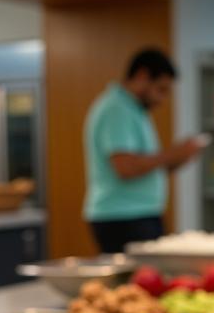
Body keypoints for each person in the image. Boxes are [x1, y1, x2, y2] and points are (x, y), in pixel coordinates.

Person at [83, 48, 203, 254]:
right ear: (142, 76)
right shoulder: (117, 109)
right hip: (122, 217)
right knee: (137, 283)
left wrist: (180, 157)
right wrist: (171, 154)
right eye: (160, 89)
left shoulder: (135, 110)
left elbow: (148, 166)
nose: (162, 99)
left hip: (138, 213)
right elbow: (125, 168)